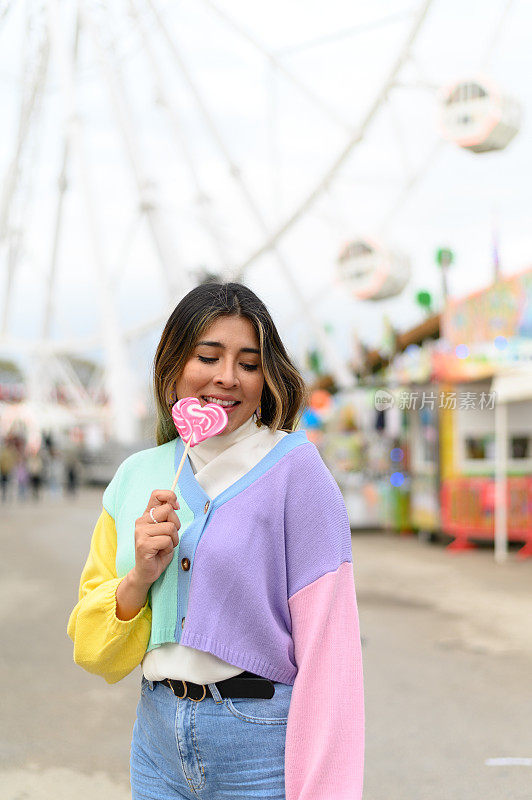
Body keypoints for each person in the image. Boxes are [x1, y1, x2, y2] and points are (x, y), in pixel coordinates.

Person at [67, 282, 365, 799]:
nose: (227, 377)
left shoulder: (297, 471)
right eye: (209, 357)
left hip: (260, 746)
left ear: (267, 376)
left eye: (249, 364)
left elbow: (331, 652)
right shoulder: (135, 477)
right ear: (172, 367)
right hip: (157, 741)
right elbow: (95, 653)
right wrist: (139, 577)